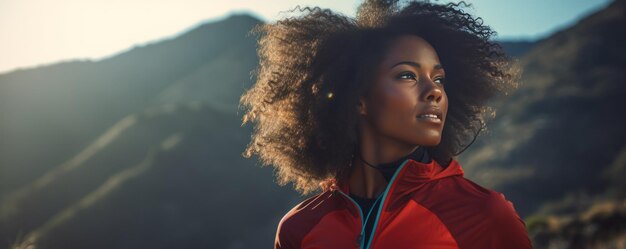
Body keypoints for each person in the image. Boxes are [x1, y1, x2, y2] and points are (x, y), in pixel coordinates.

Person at [239, 0, 532, 248]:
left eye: (439, 78)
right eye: (407, 75)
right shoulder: (298, 229)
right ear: (358, 99)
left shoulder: (484, 217)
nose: (435, 91)